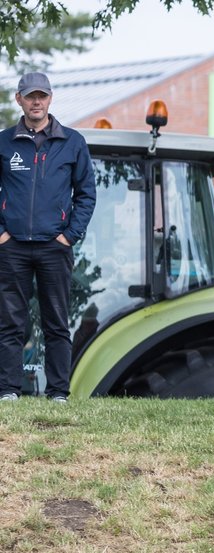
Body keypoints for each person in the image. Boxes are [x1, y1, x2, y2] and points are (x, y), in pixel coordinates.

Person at [0, 72, 97, 403]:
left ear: (51, 98)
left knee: (56, 323)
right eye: (30, 96)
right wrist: (1, 233)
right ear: (19, 100)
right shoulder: (4, 142)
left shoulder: (72, 142)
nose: (36, 101)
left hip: (54, 248)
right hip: (12, 248)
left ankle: (58, 393)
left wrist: (69, 236)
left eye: (42, 95)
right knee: (10, 322)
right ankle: (9, 390)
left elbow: (86, 194)